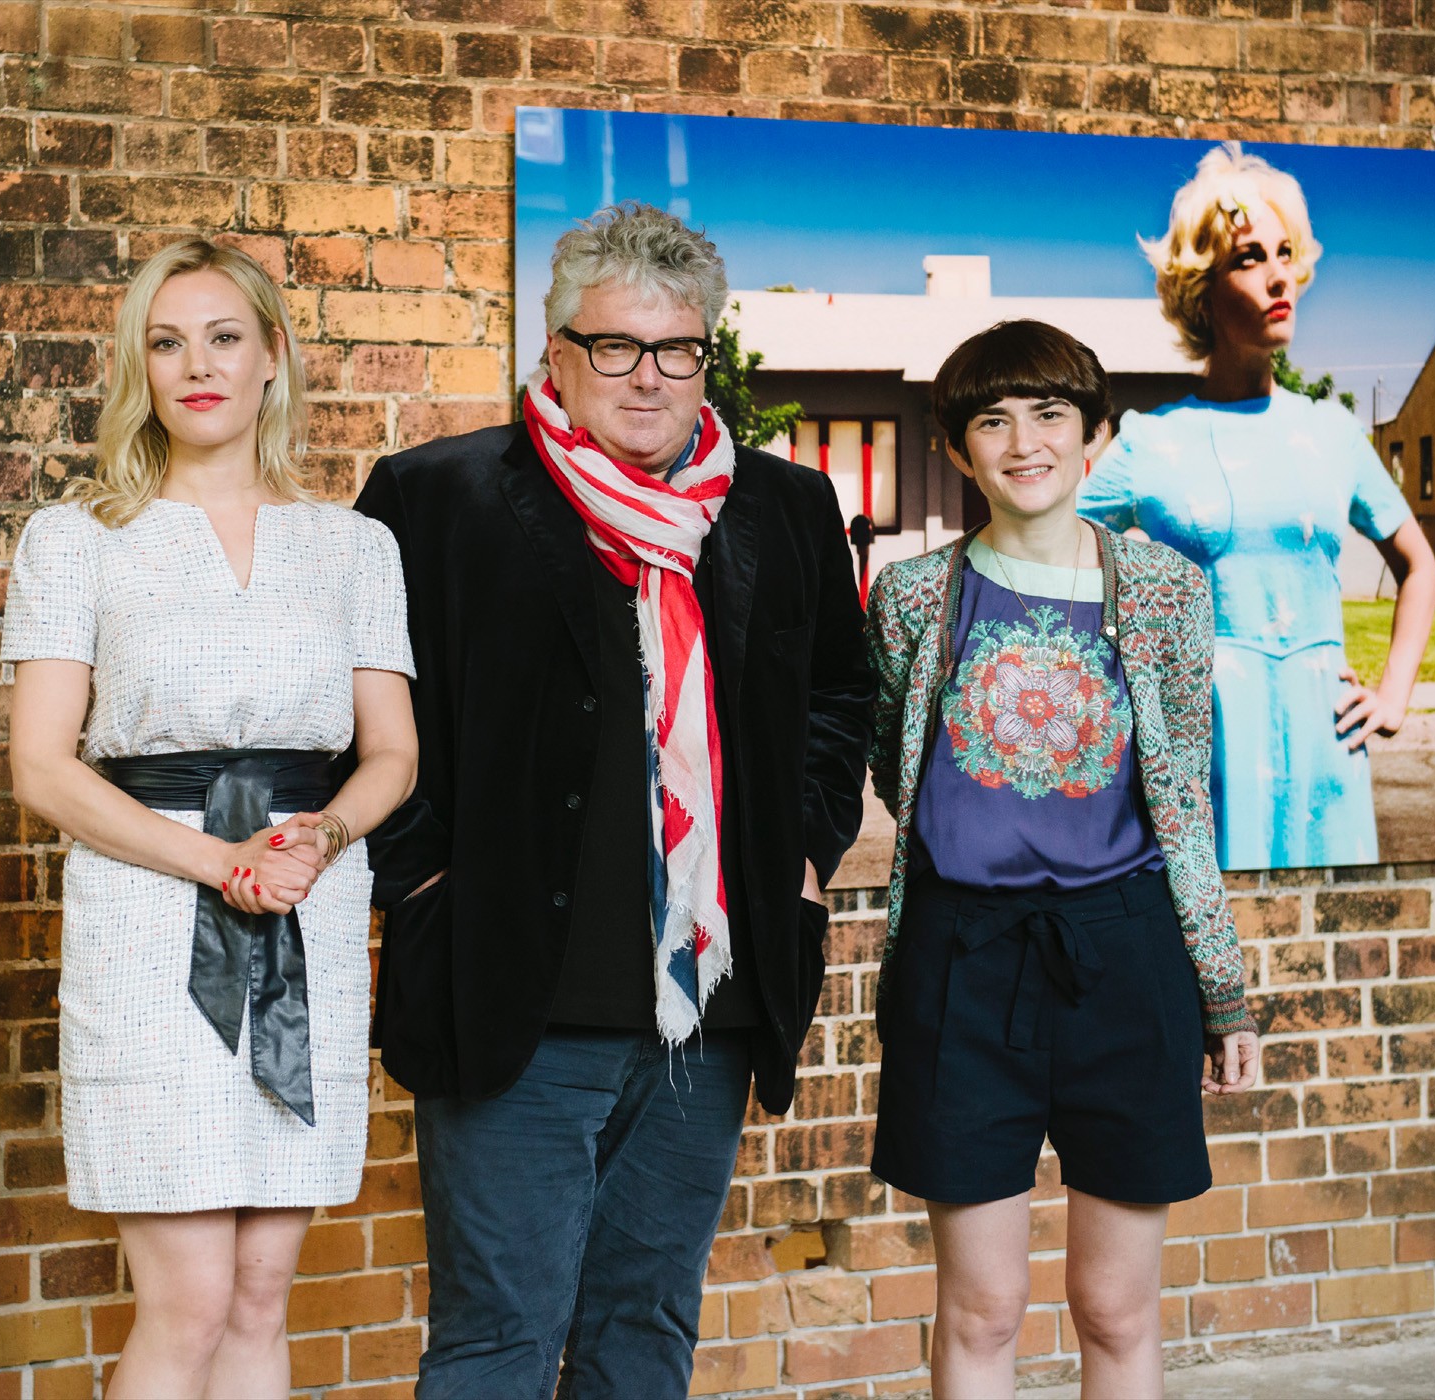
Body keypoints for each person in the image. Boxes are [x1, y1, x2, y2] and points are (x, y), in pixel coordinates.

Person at [354, 201, 874, 1396]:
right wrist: (428, 871)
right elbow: (355, 711)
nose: (647, 376)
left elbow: (839, 698)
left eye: (676, 348)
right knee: (497, 1336)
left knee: (644, 1331)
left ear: (707, 358)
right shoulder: (438, 500)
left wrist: (797, 852)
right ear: (556, 353)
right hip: (516, 1002)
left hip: (710, 1007)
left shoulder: (781, 511)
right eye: (614, 347)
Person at [2, 238, 417, 1400]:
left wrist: (320, 839)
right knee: (183, 1303)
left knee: (257, 1296)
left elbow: (391, 752)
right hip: (148, 914)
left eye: (224, 337)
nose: (198, 365)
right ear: (141, 366)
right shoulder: (76, 538)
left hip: (302, 909)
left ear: (272, 357)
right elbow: (42, 766)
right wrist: (216, 861)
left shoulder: (354, 546)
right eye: (167, 340)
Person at [866, 320, 1261, 1399]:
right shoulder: (910, 598)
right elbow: (890, 754)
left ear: (1096, 434)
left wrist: (1223, 993)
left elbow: (1185, 797)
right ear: (955, 448)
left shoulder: (1168, 590)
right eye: (991, 420)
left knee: (1115, 1306)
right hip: (964, 956)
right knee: (981, 1307)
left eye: (1049, 414)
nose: (1023, 441)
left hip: (1123, 956)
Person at [1080, 140, 1435, 871]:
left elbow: (1420, 565)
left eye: (1286, 254)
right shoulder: (1153, 441)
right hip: (1201, 750)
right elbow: (1046, 554)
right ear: (1200, 292)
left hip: (1327, 743)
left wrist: (1395, 694)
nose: (1279, 276)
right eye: (1249, 260)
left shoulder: (1333, 432)